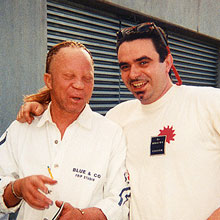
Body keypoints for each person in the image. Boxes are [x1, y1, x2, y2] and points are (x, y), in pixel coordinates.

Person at [15, 22, 220, 220]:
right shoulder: (117, 117)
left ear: (167, 61)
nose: (134, 74)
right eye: (125, 66)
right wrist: (42, 106)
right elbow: (74, 116)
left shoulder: (209, 103)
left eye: (143, 62)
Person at [0, 41, 130, 219]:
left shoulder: (111, 134)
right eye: (69, 76)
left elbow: (120, 202)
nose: (79, 85)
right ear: (49, 80)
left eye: (87, 78)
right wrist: (17, 189)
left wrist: (82, 216)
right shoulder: (22, 128)